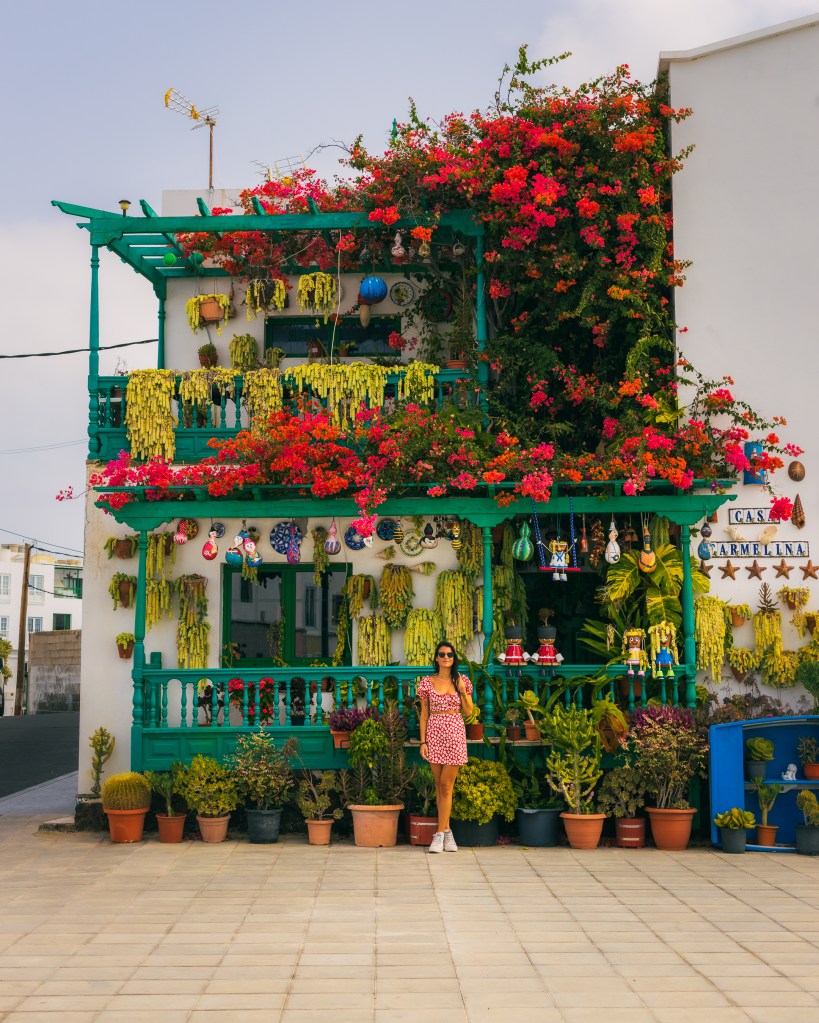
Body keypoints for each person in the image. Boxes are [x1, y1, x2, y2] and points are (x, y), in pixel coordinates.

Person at [417, 640, 474, 853]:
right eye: (442, 654)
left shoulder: (462, 680)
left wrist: (461, 691)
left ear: (454, 658)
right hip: (434, 733)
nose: (446, 658)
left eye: (450, 654)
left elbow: (469, 712)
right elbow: (424, 714)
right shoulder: (427, 682)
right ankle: (448, 833)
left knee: (447, 786)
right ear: (436, 657)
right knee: (440, 786)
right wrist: (423, 742)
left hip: (455, 733)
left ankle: (439, 835)